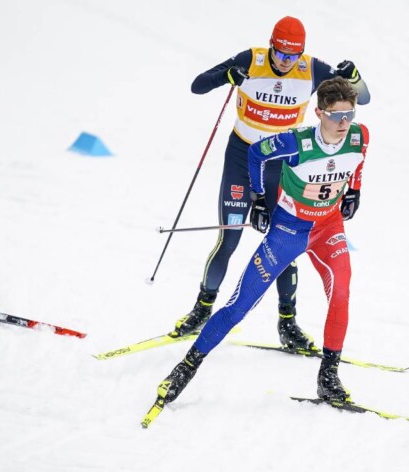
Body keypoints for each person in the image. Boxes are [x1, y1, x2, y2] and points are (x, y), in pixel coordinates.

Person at [155, 76, 368, 407]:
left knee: (341, 291)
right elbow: (256, 153)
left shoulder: (358, 135)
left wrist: (354, 189)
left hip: (328, 227)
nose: (343, 123)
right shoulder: (296, 142)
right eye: (336, 115)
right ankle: (186, 367)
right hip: (289, 230)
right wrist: (257, 198)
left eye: (349, 115)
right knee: (241, 304)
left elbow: (358, 161)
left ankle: (329, 377)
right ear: (319, 113)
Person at [173, 16, 371, 352]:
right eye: (280, 54)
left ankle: (287, 323)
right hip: (242, 157)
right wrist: (227, 75)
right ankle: (202, 309)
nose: (284, 62)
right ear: (272, 46)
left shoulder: (311, 69)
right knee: (229, 236)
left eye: (292, 56)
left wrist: (356, 77)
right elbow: (197, 85)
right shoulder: (252, 60)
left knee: (284, 244)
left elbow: (361, 99)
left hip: (282, 166)